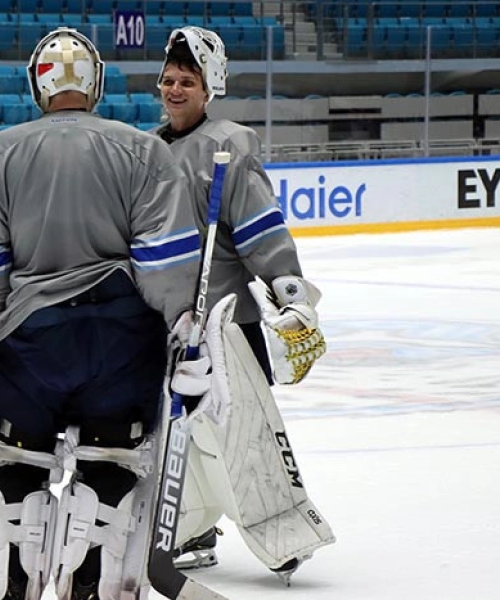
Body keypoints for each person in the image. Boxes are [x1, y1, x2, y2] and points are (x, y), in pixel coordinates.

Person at [0, 27, 201, 600]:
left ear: (38, 85)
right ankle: (94, 581)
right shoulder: (144, 149)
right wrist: (177, 323)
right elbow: (166, 263)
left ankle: (15, 581)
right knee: (112, 464)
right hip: (121, 339)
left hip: (30, 341)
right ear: (96, 84)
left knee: (17, 465)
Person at [153, 27, 332, 578]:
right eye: (168, 80)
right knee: (178, 435)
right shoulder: (150, 149)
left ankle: (287, 530)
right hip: (173, 329)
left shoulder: (228, 147)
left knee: (243, 437)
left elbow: (261, 231)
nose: (175, 90)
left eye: (187, 81)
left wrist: (291, 293)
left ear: (211, 88)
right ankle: (191, 526)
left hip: (228, 327)